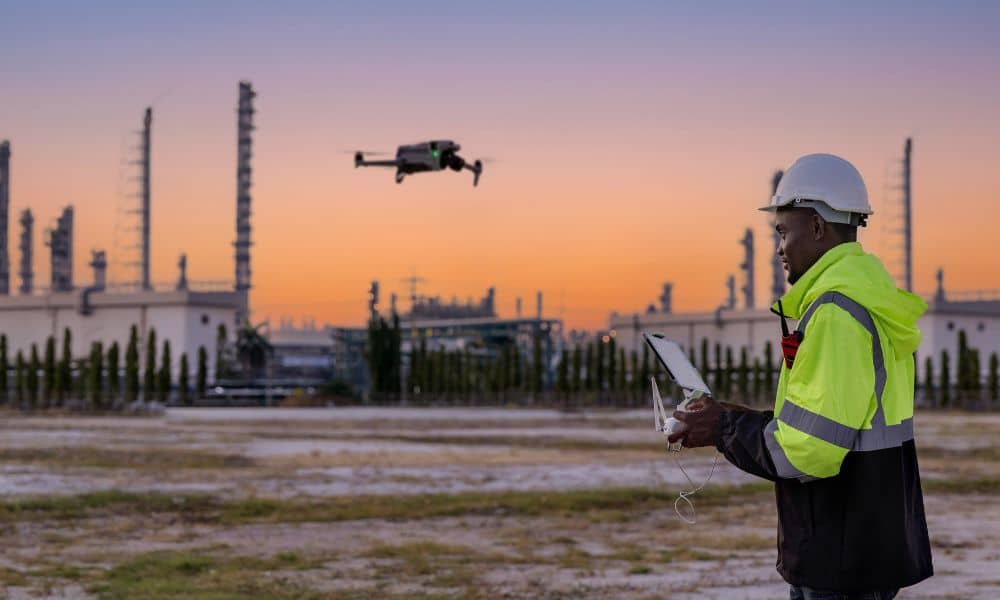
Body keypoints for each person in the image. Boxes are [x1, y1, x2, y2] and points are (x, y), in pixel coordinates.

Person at [669, 154, 933, 599]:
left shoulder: (836, 312)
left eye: (783, 231)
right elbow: (831, 420)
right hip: (863, 541)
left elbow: (810, 452)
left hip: (840, 553)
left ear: (815, 226)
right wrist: (732, 416)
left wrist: (722, 428)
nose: (778, 247)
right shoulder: (869, 299)